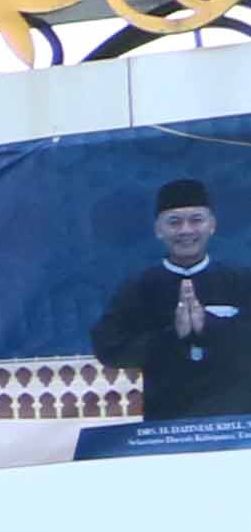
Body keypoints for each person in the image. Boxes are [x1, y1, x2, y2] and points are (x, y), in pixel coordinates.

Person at [96, 175, 251, 421]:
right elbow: (109, 349)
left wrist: (209, 326)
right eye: (174, 222)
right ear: (158, 230)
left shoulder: (241, 280)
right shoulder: (138, 288)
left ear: (212, 225)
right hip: (166, 426)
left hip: (237, 424)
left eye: (196, 220)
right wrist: (172, 335)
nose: (186, 230)